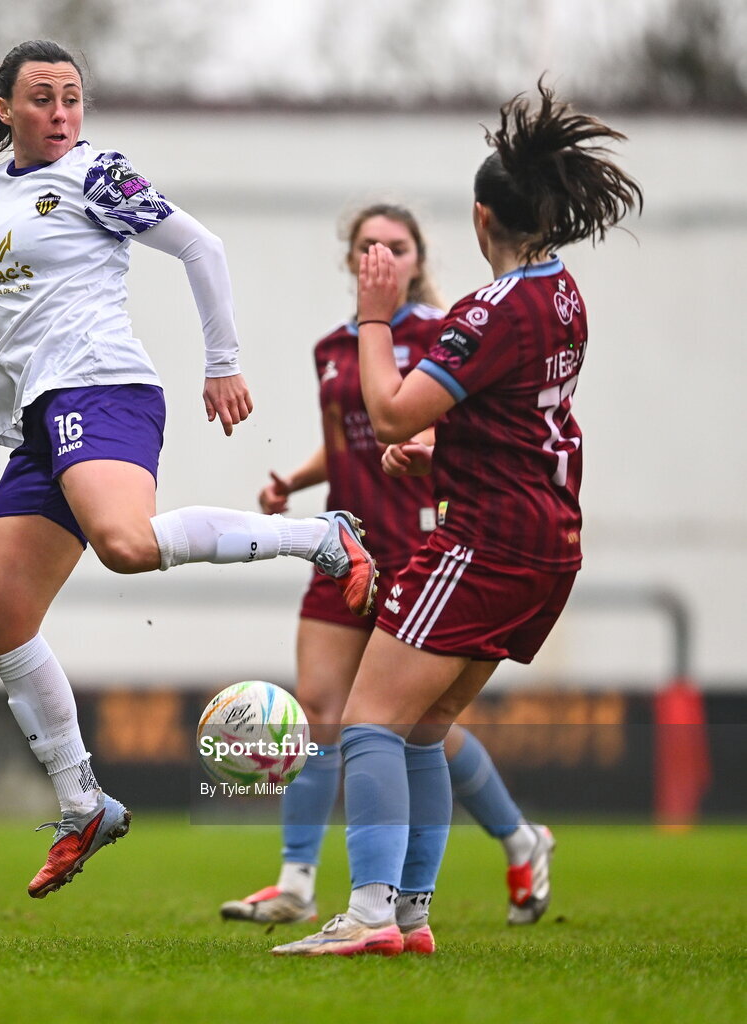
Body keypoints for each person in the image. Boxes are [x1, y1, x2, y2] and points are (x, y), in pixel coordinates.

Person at [0, 39, 376, 900]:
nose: (62, 115)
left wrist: (223, 361)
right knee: (1, 620)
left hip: (101, 386)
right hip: (38, 418)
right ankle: (83, 802)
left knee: (126, 545)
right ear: (4, 109)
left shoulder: (100, 175)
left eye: (72, 99)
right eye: (43, 100)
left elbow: (201, 248)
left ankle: (320, 536)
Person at [272, 80, 642, 957]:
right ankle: (411, 914)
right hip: (548, 541)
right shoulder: (564, 297)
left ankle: (366, 912)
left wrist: (372, 315)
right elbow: (527, 414)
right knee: (426, 729)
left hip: (486, 542)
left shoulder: (491, 308)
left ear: (482, 221)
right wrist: (453, 451)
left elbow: (394, 409)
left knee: (367, 722)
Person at [218, 203, 555, 935]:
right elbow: (346, 438)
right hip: (344, 545)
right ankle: (297, 882)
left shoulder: (449, 330)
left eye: (395, 246)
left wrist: (430, 445)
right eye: (368, 245)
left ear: (418, 256)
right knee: (323, 712)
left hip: (419, 547)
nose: (381, 256)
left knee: (411, 723)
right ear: (352, 261)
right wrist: (295, 483)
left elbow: (443, 421)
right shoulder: (331, 349)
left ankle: (516, 836)